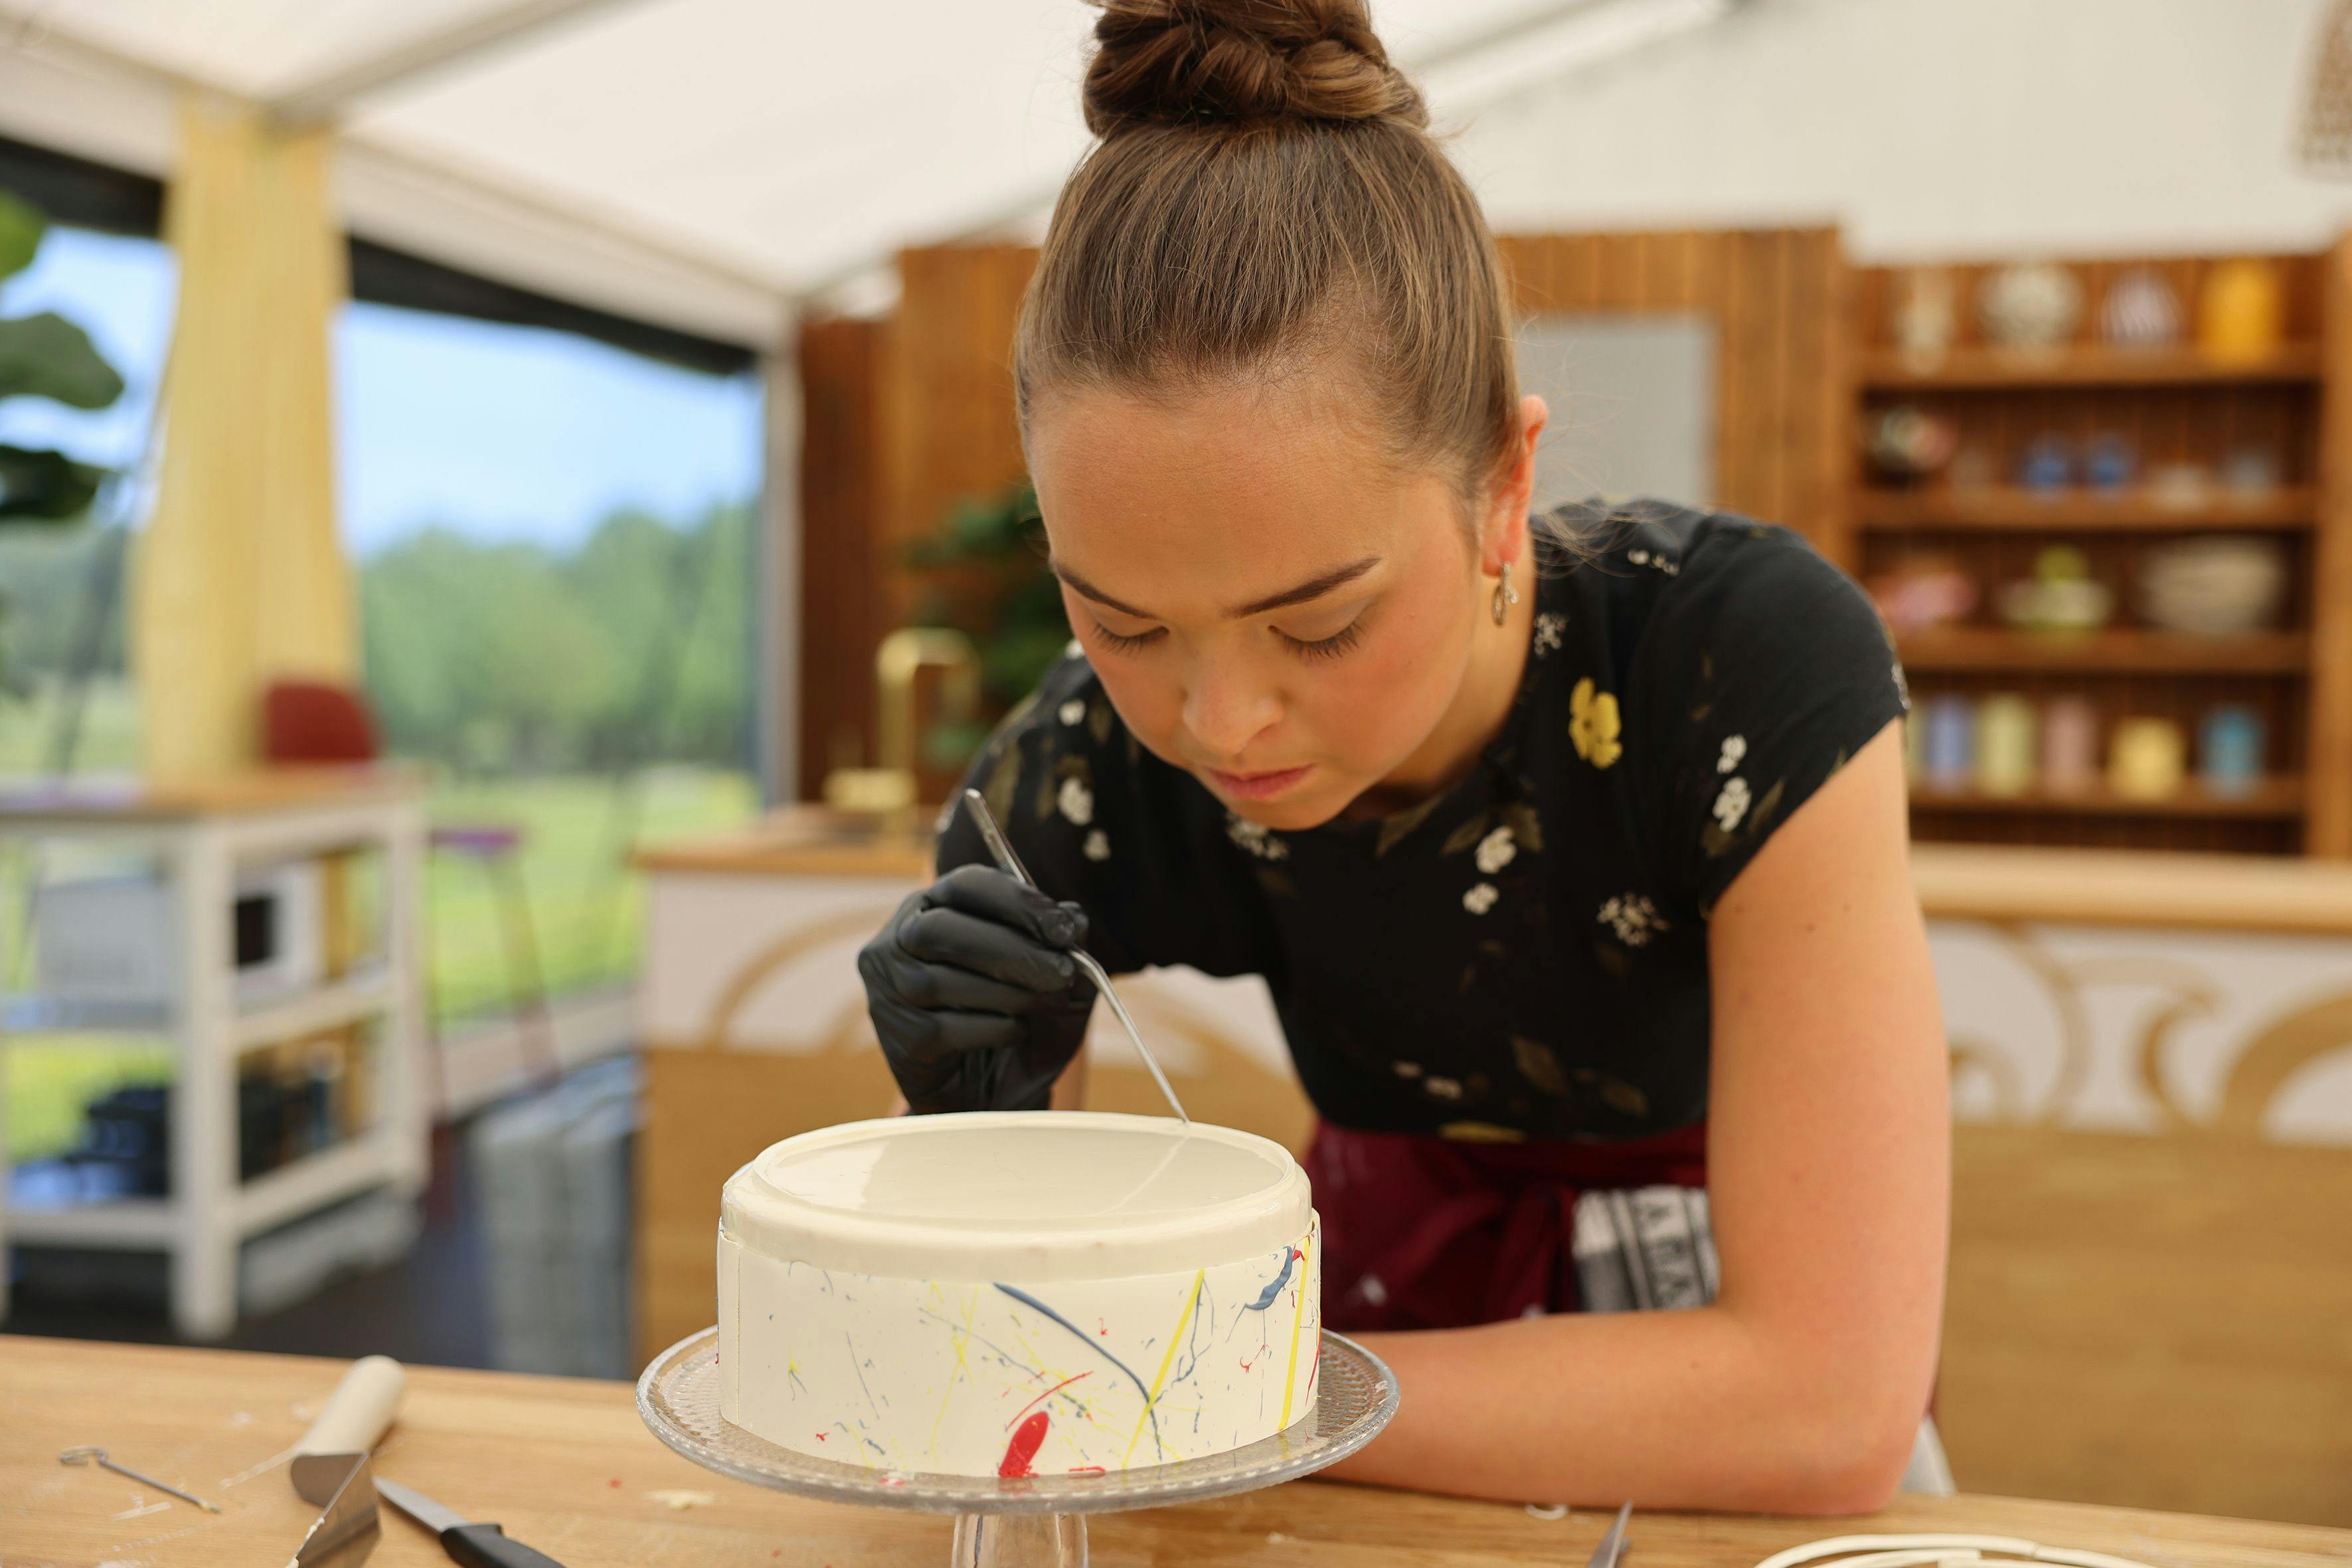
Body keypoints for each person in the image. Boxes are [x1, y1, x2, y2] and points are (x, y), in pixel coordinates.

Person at [855, 0, 1948, 1514]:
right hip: (1354, 1369)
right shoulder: (1080, 768)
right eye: (1120, 620)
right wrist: (971, 1135)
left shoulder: (1735, 667)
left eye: (1316, 624)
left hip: (1639, 1406)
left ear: (1502, 490)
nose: (1217, 721)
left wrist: (1209, 1379)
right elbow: (991, 1366)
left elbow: (1822, 1404)